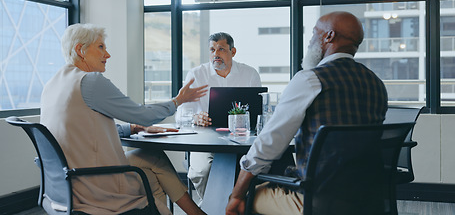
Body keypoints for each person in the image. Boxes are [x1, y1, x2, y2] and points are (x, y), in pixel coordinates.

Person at [225, 11, 388, 215]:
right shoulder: (376, 84)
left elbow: (269, 142)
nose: (310, 40)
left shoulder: (311, 80)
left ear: (329, 37)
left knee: (248, 199)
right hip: (371, 198)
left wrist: (237, 194)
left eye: (314, 34)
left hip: (319, 200)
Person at [40, 23, 208, 215]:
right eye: (101, 47)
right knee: (153, 162)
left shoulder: (53, 84)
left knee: (151, 166)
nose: (107, 54)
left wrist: (133, 128)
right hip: (93, 184)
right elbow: (143, 114)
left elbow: (84, 131)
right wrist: (178, 101)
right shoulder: (90, 82)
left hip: (65, 182)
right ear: (80, 50)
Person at [176, 32, 261, 199]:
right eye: (212, 49)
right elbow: (180, 114)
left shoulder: (250, 74)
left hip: (242, 139)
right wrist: (194, 118)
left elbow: (258, 111)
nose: (215, 54)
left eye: (221, 49)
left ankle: (233, 205)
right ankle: (211, 206)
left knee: (253, 169)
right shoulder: (196, 74)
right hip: (204, 139)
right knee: (200, 171)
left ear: (233, 51)